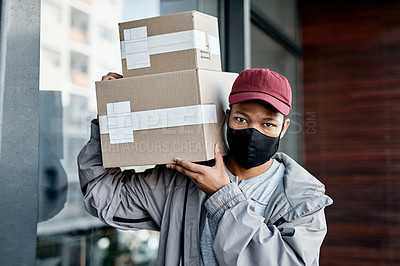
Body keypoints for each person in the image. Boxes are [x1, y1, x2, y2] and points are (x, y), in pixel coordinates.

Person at [78, 68, 333, 266]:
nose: (253, 133)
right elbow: (103, 196)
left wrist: (223, 196)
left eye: (268, 124)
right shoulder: (183, 178)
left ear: (284, 128)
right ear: (226, 116)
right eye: (241, 119)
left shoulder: (303, 201)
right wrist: (109, 120)